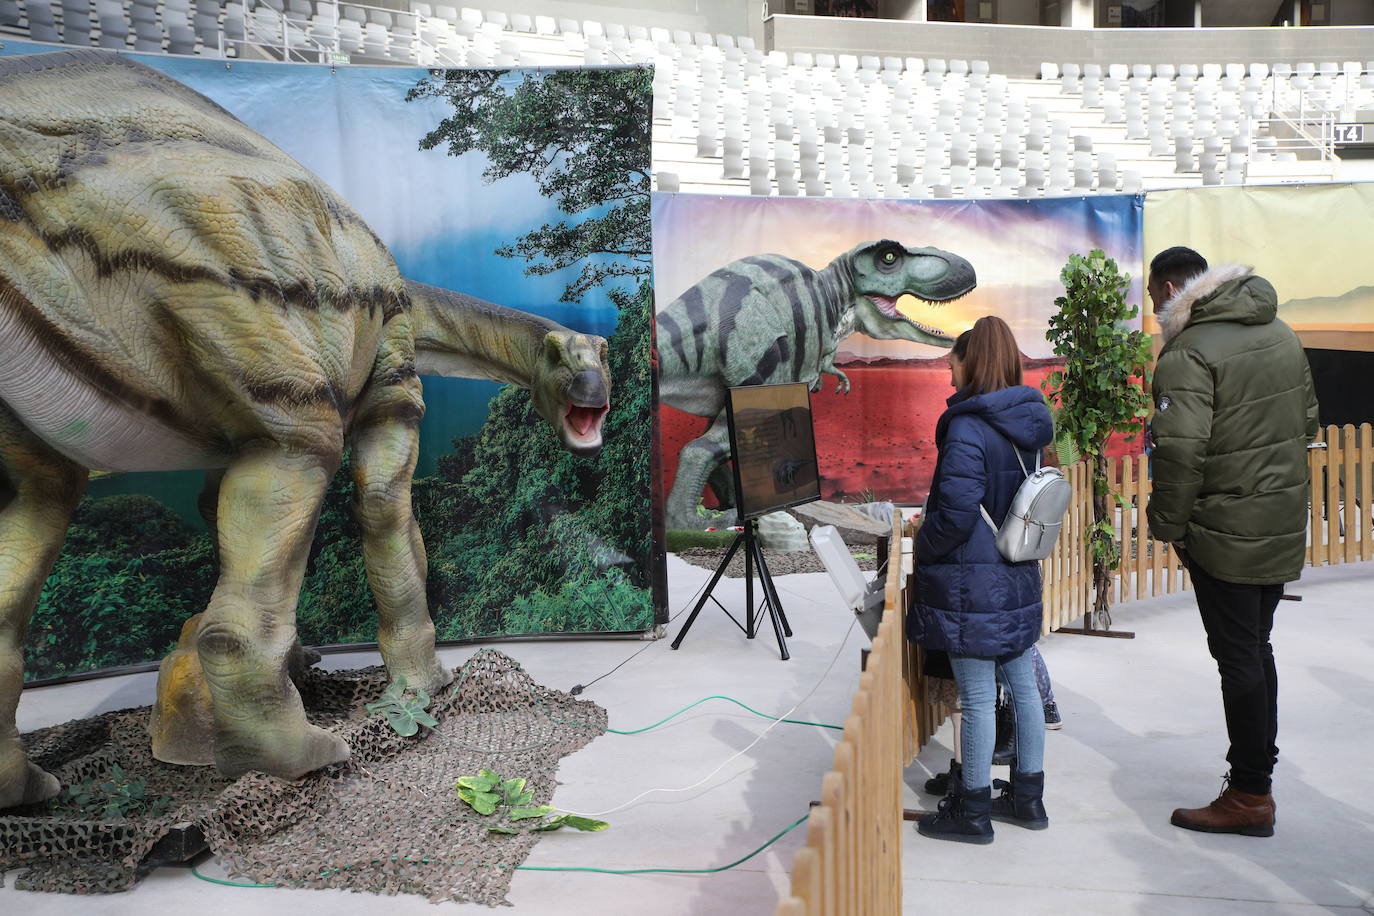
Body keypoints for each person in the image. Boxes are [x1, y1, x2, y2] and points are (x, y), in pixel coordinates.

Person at [1146, 247, 1319, 837]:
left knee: (1238, 656)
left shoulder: (1188, 351)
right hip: (1278, 520)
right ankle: (1254, 781)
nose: (1153, 311)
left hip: (1224, 530)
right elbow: (1310, 425)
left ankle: (1249, 794)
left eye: (1152, 299)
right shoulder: (1281, 333)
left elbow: (1180, 450)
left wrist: (1168, 525)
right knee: (1255, 646)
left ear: (1171, 288)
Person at [909, 316, 1054, 844]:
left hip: (974, 580)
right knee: (1021, 690)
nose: (948, 364)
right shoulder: (1029, 422)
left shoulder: (969, 426)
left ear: (972, 362)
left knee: (974, 695)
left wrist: (924, 549)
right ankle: (1027, 798)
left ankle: (971, 810)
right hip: (1015, 572)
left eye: (953, 356)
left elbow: (955, 512)